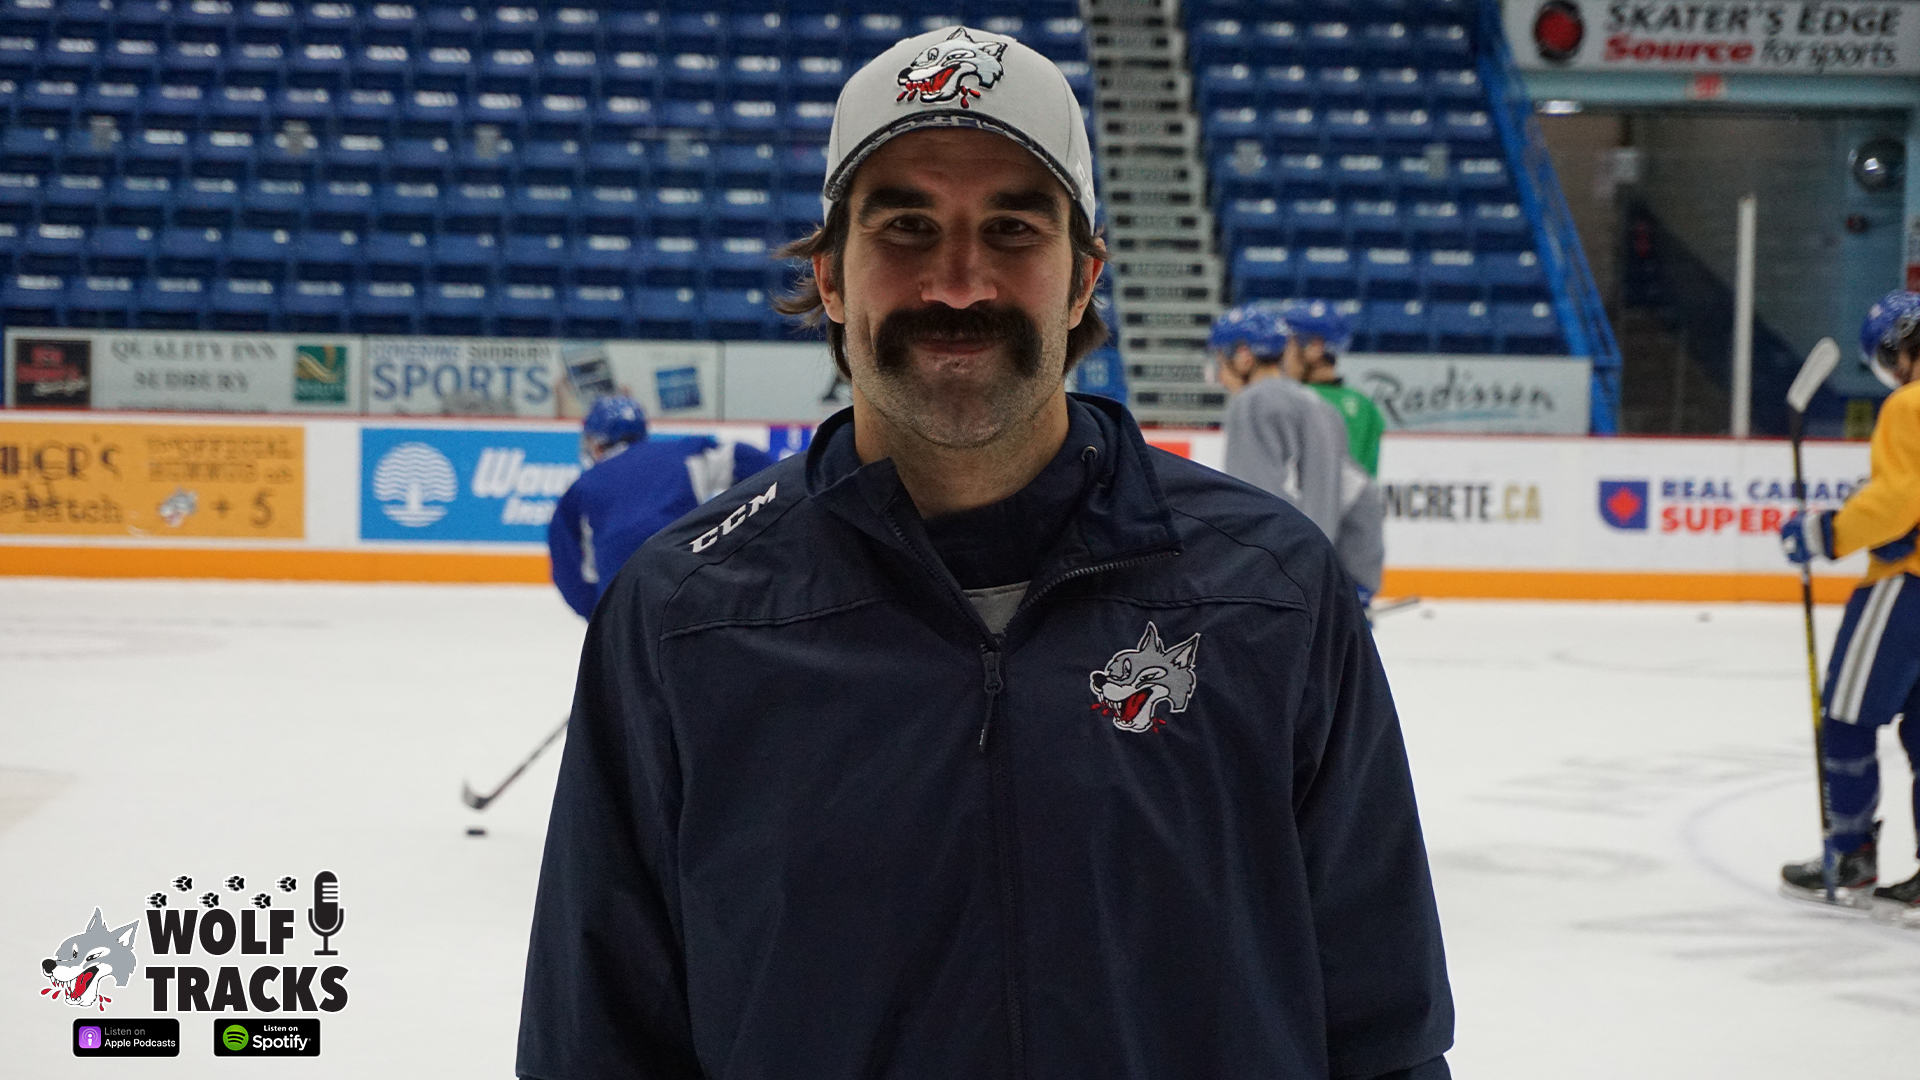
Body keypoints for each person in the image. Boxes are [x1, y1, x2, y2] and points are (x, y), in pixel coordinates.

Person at [518, 26, 1452, 1080]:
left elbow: (1385, 1037)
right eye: (906, 227)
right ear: (830, 276)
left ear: (1083, 278)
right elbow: (595, 1048)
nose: (958, 284)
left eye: (1011, 229)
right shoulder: (685, 615)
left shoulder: (1271, 593)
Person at [1778, 289, 1920, 910]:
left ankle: (1851, 853)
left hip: (1906, 586)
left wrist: (1827, 532)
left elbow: (1898, 500)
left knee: (1844, 716)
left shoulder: (1910, 404)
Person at [546, 395, 774, 618]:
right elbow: (744, 458)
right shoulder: (684, 453)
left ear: (597, 441)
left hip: (624, 609)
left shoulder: (580, 489)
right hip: (693, 590)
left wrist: (599, 616)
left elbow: (567, 569)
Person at [1213, 303, 1353, 544]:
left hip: (1280, 553)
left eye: (1221, 361)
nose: (1219, 376)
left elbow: (1252, 503)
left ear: (1244, 356)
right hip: (1318, 551)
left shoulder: (1252, 401)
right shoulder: (1321, 405)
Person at [1288, 301, 1390, 604]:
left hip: (1311, 539)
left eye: (1291, 342)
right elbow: (1366, 476)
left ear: (1315, 347)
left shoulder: (1294, 402)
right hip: (1354, 544)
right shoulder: (1366, 407)